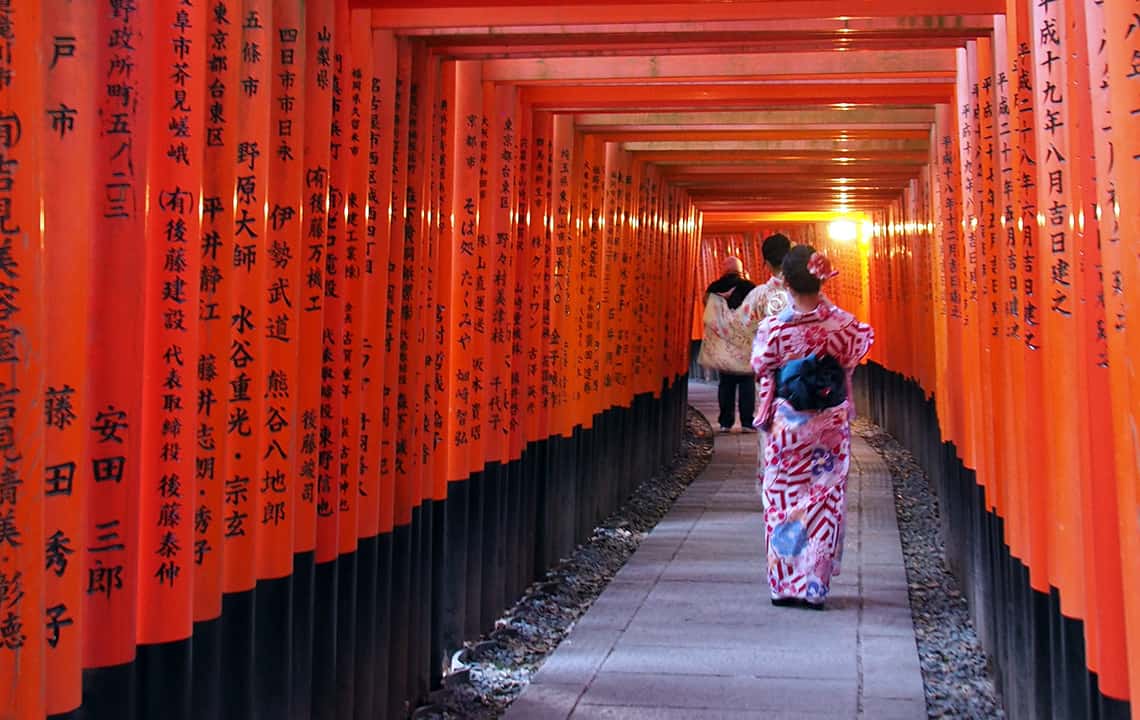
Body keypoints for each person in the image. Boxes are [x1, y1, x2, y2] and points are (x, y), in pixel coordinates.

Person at [750, 245, 874, 609]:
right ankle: (814, 584)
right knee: (824, 500)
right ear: (823, 279)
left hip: (787, 424)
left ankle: (783, 584)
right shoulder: (846, 325)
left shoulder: (773, 327)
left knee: (782, 502)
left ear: (785, 281)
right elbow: (852, 358)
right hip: (829, 424)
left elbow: (762, 366)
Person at [703, 256, 756, 432]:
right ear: (740, 269)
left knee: (726, 383)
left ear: (724, 269)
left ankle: (726, 423)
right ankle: (747, 422)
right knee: (747, 381)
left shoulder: (714, 288)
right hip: (745, 341)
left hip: (724, 343)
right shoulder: (750, 287)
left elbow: (708, 312)